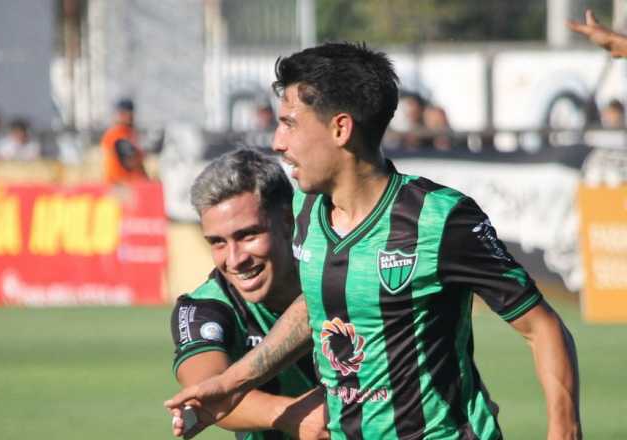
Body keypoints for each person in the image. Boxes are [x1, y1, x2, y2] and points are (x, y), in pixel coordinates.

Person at [166, 42, 581, 440]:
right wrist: (232, 383)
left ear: (340, 128)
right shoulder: (309, 214)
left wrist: (564, 430)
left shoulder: (440, 218)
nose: (278, 142)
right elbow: (316, 307)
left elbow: (542, 328)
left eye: (290, 122)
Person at [171, 148, 326, 440]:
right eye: (217, 242)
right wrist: (293, 416)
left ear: (286, 220)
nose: (234, 259)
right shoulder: (205, 307)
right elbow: (209, 387)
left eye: (247, 235)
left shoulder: (337, 278)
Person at [100, 98, 147, 184]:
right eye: (124, 113)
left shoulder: (130, 133)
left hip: (130, 184)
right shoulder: (116, 134)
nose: (129, 117)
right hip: (121, 185)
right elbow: (131, 161)